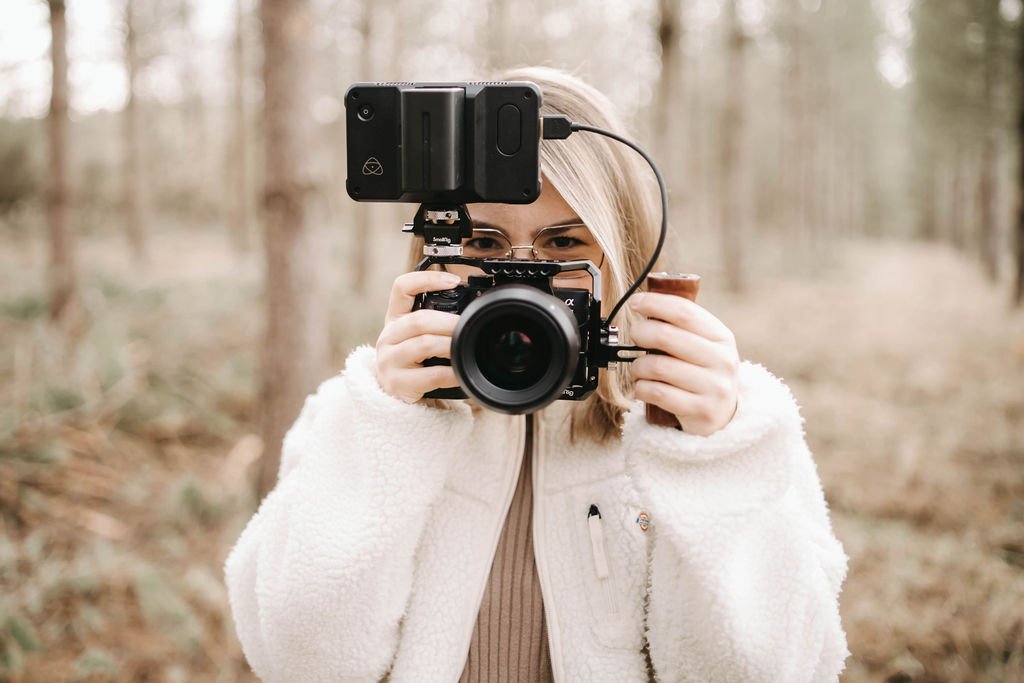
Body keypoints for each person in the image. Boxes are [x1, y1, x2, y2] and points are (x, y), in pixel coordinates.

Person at [224, 67, 850, 682]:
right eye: (488, 246)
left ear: (623, 254)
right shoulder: (359, 415)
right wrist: (387, 428)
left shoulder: (707, 419)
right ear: (432, 258)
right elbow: (299, 663)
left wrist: (712, 457)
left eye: (563, 247)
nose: (522, 282)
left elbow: (772, 671)